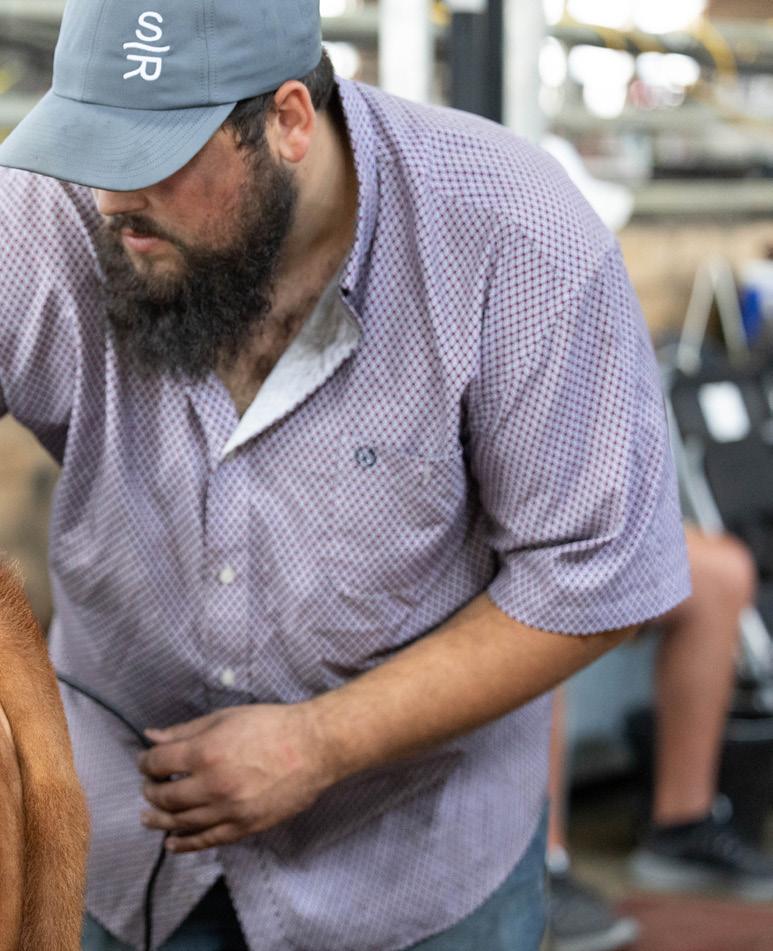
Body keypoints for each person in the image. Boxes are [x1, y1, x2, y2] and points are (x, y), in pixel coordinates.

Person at [0, 1, 691, 949]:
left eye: (151, 157)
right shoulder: (49, 214)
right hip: (123, 837)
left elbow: (597, 573)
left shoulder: (515, 239)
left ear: (287, 120)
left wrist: (320, 742)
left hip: (409, 865)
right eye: (91, 147)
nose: (111, 199)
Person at [547, 526, 773, 951]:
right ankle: (542, 866)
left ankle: (681, 830)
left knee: (721, 574)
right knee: (532, 618)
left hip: (589, 536)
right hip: (515, 553)